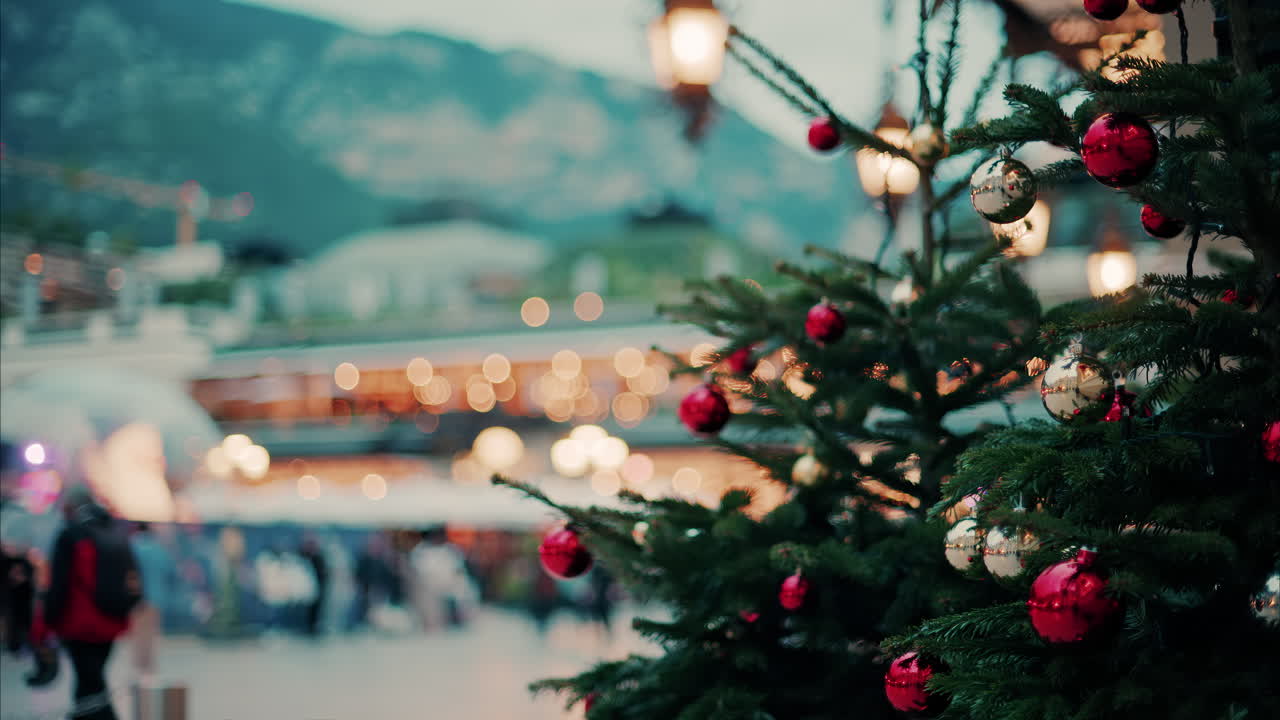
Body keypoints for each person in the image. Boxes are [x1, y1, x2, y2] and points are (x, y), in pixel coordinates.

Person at [43, 486, 141, 720]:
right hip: (112, 620)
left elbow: (59, 584)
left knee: (90, 681)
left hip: (79, 622)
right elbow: (134, 581)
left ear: (70, 507)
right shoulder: (116, 533)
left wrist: (48, 621)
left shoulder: (70, 535)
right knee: (91, 678)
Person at [128, 523, 172, 680]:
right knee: (151, 634)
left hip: (137, 599)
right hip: (156, 598)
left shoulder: (133, 547)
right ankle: (149, 668)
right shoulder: (159, 548)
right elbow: (169, 571)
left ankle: (140, 668)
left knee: (138, 634)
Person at [299, 535, 328, 637]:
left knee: (316, 610)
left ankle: (314, 628)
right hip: (305, 589)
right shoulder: (303, 556)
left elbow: (324, 573)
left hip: (317, 589)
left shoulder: (319, 557)